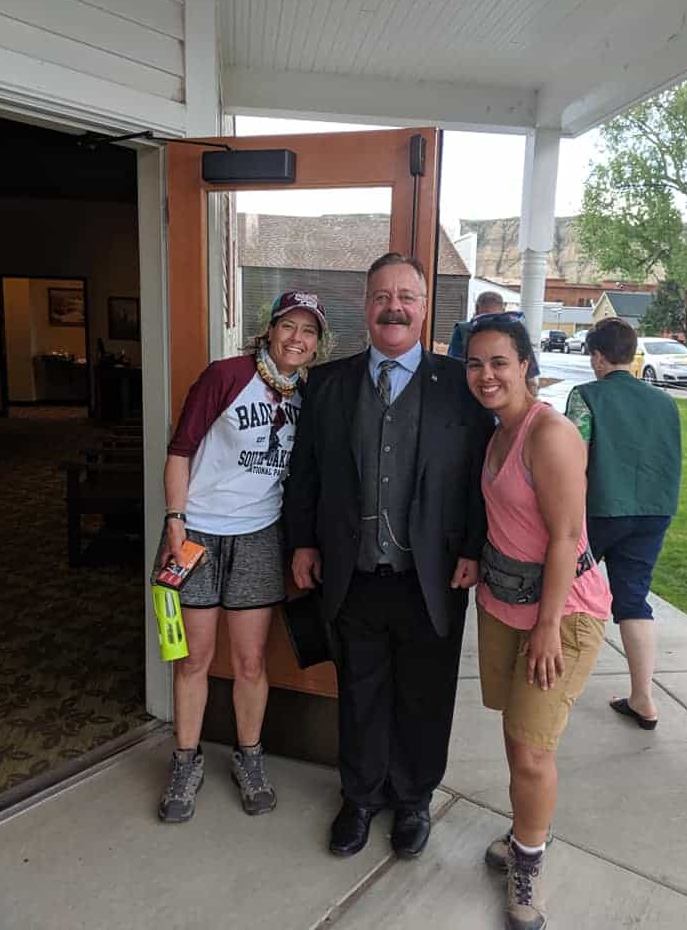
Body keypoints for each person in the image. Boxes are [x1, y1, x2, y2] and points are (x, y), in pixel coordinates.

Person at [284, 252, 494, 860]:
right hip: (351, 575)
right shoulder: (329, 382)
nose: (394, 306)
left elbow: (483, 475)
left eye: (406, 296)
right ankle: (359, 796)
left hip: (433, 576)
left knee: (425, 695)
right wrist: (302, 540)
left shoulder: (461, 385)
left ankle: (412, 800)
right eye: (382, 296)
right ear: (366, 306)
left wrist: (476, 549)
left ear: (425, 308)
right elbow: (307, 472)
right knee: (360, 691)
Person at [155, 291, 327, 823]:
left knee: (251, 661)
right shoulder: (226, 376)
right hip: (199, 535)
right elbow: (180, 450)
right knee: (194, 659)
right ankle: (185, 760)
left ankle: (249, 757)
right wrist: (175, 521)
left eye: (309, 331)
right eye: (288, 327)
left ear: (319, 344)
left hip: (258, 536)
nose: (296, 339)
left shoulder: (312, 394)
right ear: (270, 330)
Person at [465, 316, 610, 930]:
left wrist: (548, 626)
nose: (485, 375)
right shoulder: (496, 431)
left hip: (561, 612)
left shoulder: (548, 433)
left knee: (531, 752)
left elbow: (565, 537)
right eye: (475, 364)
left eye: (499, 361)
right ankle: (526, 828)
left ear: (525, 362)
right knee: (516, 734)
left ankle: (528, 862)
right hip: (502, 603)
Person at [566, 317, 681, 729]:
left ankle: (548, 676)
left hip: (600, 510)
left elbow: (573, 460)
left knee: (564, 586)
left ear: (597, 357)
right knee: (633, 600)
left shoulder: (586, 397)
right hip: (653, 511)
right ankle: (643, 698)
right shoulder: (665, 401)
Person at [448, 290, 540, 394]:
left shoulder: (516, 333)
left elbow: (530, 379)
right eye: (485, 319)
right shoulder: (462, 331)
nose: (491, 326)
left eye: (499, 363)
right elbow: (454, 370)